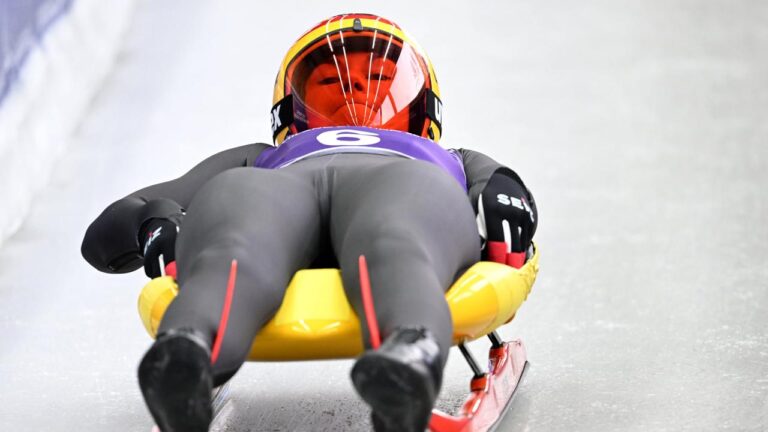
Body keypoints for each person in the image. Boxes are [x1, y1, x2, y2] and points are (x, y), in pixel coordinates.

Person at [81, 13, 537, 432]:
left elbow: (502, 188)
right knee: (257, 236)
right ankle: (189, 352)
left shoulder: (452, 160)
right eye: (328, 85)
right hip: (315, 187)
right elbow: (109, 231)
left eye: (378, 80)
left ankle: (195, 340)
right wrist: (154, 219)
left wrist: (502, 194)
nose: (356, 94)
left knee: (378, 238)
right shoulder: (259, 159)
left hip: (390, 182)